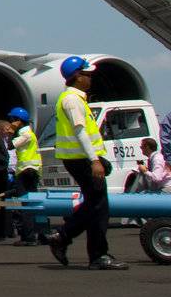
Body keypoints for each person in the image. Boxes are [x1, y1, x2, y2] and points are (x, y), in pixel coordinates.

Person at [48, 55, 128, 270]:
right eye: (87, 74)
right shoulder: (72, 100)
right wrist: (94, 160)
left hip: (79, 159)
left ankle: (90, 251)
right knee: (98, 206)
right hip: (81, 160)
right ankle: (68, 239)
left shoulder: (75, 99)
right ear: (77, 76)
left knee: (97, 205)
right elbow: (80, 131)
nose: (91, 77)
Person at [6, 106, 43, 245]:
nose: (10, 122)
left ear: (18, 121)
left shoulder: (25, 134)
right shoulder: (29, 133)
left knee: (26, 205)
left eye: (12, 119)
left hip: (25, 171)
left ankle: (29, 237)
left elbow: (10, 145)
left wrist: (11, 131)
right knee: (32, 203)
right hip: (31, 171)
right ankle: (38, 233)